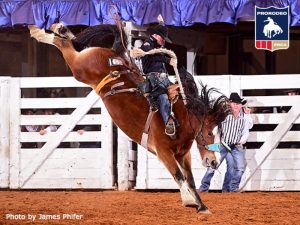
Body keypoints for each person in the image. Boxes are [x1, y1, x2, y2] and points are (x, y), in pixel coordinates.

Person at [199, 92, 253, 192]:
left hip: (236, 146)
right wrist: (214, 144)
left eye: (238, 104)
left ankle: (231, 189)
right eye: (234, 104)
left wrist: (241, 141)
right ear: (230, 104)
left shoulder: (244, 117)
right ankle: (203, 188)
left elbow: (247, 129)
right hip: (222, 145)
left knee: (238, 168)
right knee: (213, 166)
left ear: (241, 105)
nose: (236, 106)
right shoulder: (224, 116)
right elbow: (216, 129)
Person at [140, 22, 177, 136]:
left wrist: (162, 24)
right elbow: (151, 55)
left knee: (178, 92)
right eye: (163, 38)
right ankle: (168, 124)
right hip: (153, 78)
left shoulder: (156, 45)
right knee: (163, 97)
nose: (164, 41)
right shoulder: (147, 45)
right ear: (156, 36)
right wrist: (167, 60)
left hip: (162, 77)